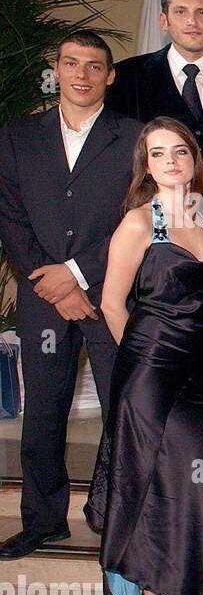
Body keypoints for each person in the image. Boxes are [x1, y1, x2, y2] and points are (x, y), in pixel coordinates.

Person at [0, 31, 141, 561]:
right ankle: (42, 521)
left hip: (111, 293)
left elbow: (139, 217)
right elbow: (9, 214)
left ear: (110, 75)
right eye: (72, 63)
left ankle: (117, 519)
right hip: (43, 294)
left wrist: (79, 273)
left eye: (94, 65)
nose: (82, 74)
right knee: (43, 411)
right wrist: (54, 283)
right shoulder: (18, 135)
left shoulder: (134, 137)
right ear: (55, 69)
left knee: (120, 409)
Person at [87, 118, 203, 595]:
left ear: (193, 159)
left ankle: (194, 577)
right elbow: (111, 303)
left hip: (202, 372)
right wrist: (145, 362)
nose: (170, 160)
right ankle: (154, 585)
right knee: (169, 465)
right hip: (150, 370)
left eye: (179, 151)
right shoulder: (139, 223)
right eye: (158, 153)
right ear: (146, 165)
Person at [107, 0, 203, 190]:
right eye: (181, 12)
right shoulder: (127, 77)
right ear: (163, 21)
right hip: (152, 205)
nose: (192, 21)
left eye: (201, 13)